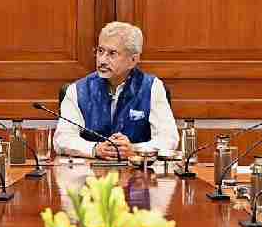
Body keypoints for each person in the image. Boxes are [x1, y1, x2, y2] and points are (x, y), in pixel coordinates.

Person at [53, 21, 177, 160]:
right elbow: (62, 139)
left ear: (133, 60)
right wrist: (96, 149)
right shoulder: (78, 90)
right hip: (90, 176)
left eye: (112, 53)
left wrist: (134, 149)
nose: (102, 60)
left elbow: (169, 139)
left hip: (139, 176)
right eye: (100, 51)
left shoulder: (152, 87)